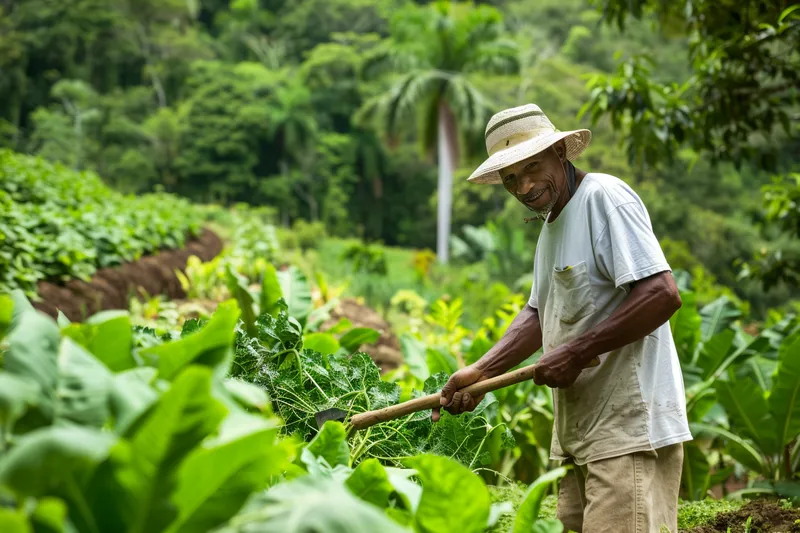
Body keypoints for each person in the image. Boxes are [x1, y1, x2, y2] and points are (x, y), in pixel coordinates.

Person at [432, 103, 692, 533]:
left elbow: (662, 293)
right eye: (511, 178)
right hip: (579, 435)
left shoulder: (603, 198)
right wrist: (481, 371)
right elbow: (540, 312)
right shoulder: (552, 224)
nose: (524, 186)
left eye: (532, 167)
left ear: (560, 153)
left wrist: (577, 351)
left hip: (627, 430)